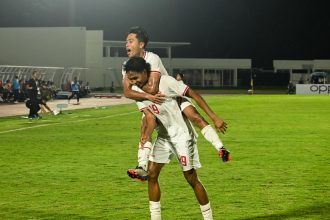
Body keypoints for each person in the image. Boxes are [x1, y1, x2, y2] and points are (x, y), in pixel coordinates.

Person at [124, 57, 229, 220]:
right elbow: (151, 118)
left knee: (191, 178)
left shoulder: (165, 82)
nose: (133, 82)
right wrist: (146, 135)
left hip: (182, 136)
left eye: (135, 78)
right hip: (164, 137)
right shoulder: (138, 93)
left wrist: (214, 117)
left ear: (145, 72)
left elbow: (192, 94)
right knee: (152, 175)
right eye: (130, 79)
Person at [123, 26, 230, 181]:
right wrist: (145, 95)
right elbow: (127, 92)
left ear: (141, 44)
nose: (126, 44)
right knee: (146, 126)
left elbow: (153, 89)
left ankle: (220, 147)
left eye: (130, 41)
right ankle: (141, 166)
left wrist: (215, 117)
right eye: (126, 41)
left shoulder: (152, 58)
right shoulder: (126, 66)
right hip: (151, 100)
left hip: (170, 96)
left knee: (195, 117)